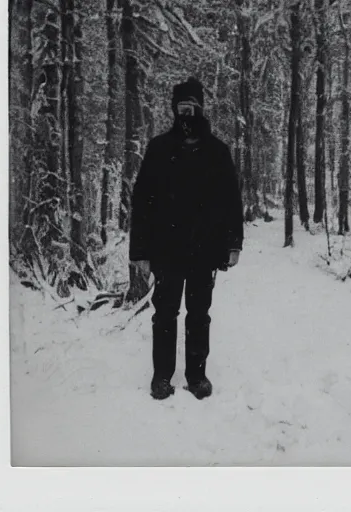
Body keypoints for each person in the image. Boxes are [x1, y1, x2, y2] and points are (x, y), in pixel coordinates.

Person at [129, 77, 244, 400]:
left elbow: (231, 201)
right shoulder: (159, 149)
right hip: (167, 250)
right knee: (164, 314)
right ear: (174, 110)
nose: (187, 114)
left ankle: (196, 376)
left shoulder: (217, 152)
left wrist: (233, 244)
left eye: (192, 107)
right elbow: (142, 202)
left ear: (201, 109)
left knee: (198, 315)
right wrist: (140, 251)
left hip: (204, 250)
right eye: (181, 108)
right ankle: (161, 377)